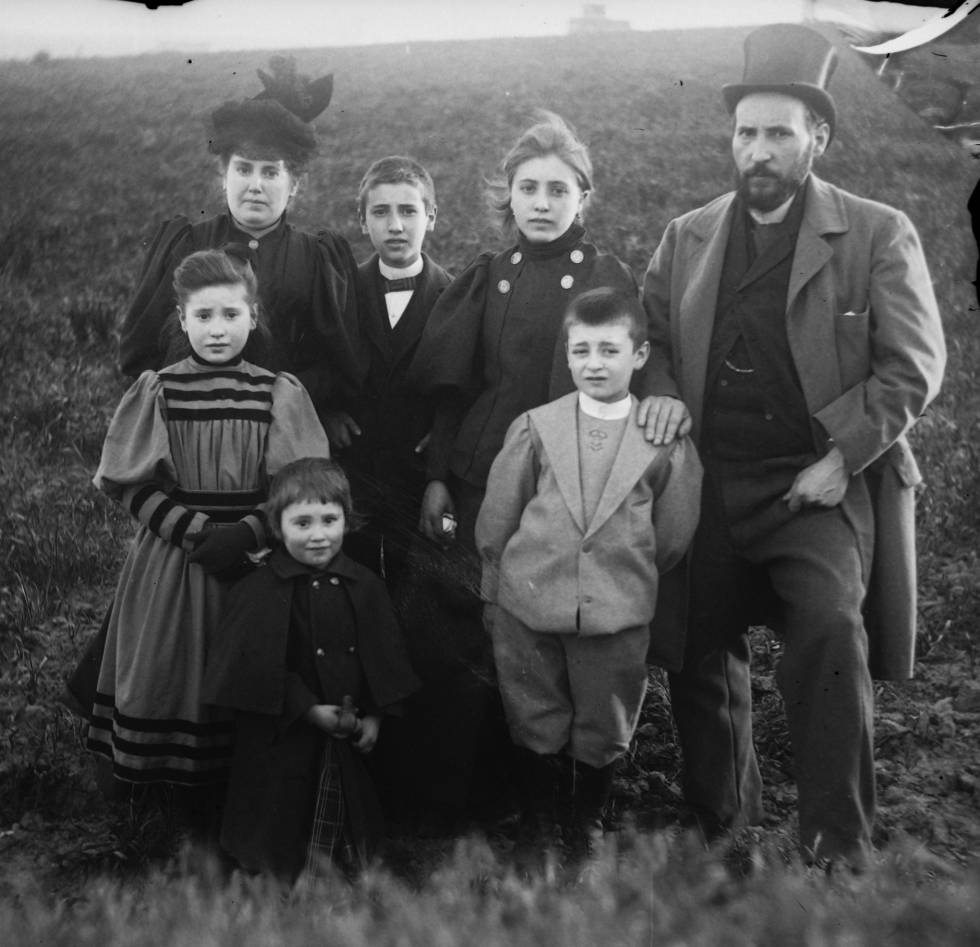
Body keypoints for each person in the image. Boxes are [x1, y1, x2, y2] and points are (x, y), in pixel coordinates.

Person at [641, 24, 946, 870]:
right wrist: (663, 393)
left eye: (780, 132)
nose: (760, 151)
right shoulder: (687, 235)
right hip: (710, 484)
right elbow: (651, 336)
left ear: (819, 137)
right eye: (747, 132)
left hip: (814, 486)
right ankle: (721, 828)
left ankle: (835, 847)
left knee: (827, 634)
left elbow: (913, 366)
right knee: (696, 648)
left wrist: (841, 455)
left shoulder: (877, 232)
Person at [406, 111, 653, 817]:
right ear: (506, 196)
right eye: (527, 188)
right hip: (489, 475)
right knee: (491, 627)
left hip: (575, 482)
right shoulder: (490, 276)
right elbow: (456, 389)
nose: (541, 203)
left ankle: (573, 799)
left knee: (569, 632)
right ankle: (489, 791)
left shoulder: (606, 274)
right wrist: (437, 476)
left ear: (583, 197)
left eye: (557, 189)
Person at [87, 249, 331, 803]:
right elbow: (131, 484)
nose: (217, 330)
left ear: (253, 316)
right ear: (181, 320)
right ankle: (166, 791)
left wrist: (247, 533)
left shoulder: (276, 392)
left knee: (250, 663)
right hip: (176, 559)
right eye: (203, 317)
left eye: (230, 316)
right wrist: (198, 534)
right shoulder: (160, 390)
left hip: (256, 558)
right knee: (171, 662)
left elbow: (298, 488)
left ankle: (239, 795)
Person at [475, 288, 702, 861]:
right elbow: (499, 519)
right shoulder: (537, 427)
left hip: (616, 612)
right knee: (533, 712)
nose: (594, 364)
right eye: (582, 351)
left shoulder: (663, 441)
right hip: (530, 605)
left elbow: (671, 537)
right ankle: (539, 824)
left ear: (640, 356)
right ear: (568, 355)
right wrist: (495, 592)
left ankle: (586, 824)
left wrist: (622, 580)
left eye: (609, 350)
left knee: (604, 722)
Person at [202, 458, 419, 883]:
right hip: (283, 735)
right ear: (278, 527)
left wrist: (375, 715)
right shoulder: (260, 589)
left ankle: (341, 869)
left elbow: (385, 660)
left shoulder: (365, 584)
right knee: (280, 816)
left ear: (347, 520)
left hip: (348, 729)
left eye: (329, 520)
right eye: (302, 523)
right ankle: (274, 874)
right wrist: (306, 708)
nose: (318, 535)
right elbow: (251, 668)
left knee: (345, 805)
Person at [117, 56, 361, 420]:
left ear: (294, 185)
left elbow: (338, 366)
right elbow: (140, 357)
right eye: (243, 169)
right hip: (189, 424)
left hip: (285, 425)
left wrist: (291, 401)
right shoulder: (185, 244)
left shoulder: (316, 258)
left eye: (271, 173)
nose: (255, 186)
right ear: (223, 176)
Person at [336, 155, 452, 589]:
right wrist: (330, 412)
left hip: (417, 470)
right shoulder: (342, 291)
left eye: (409, 211)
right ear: (363, 221)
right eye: (381, 212)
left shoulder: (454, 296)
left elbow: (462, 386)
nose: (396, 226)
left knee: (416, 581)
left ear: (431, 217)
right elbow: (321, 362)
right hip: (355, 463)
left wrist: (443, 441)